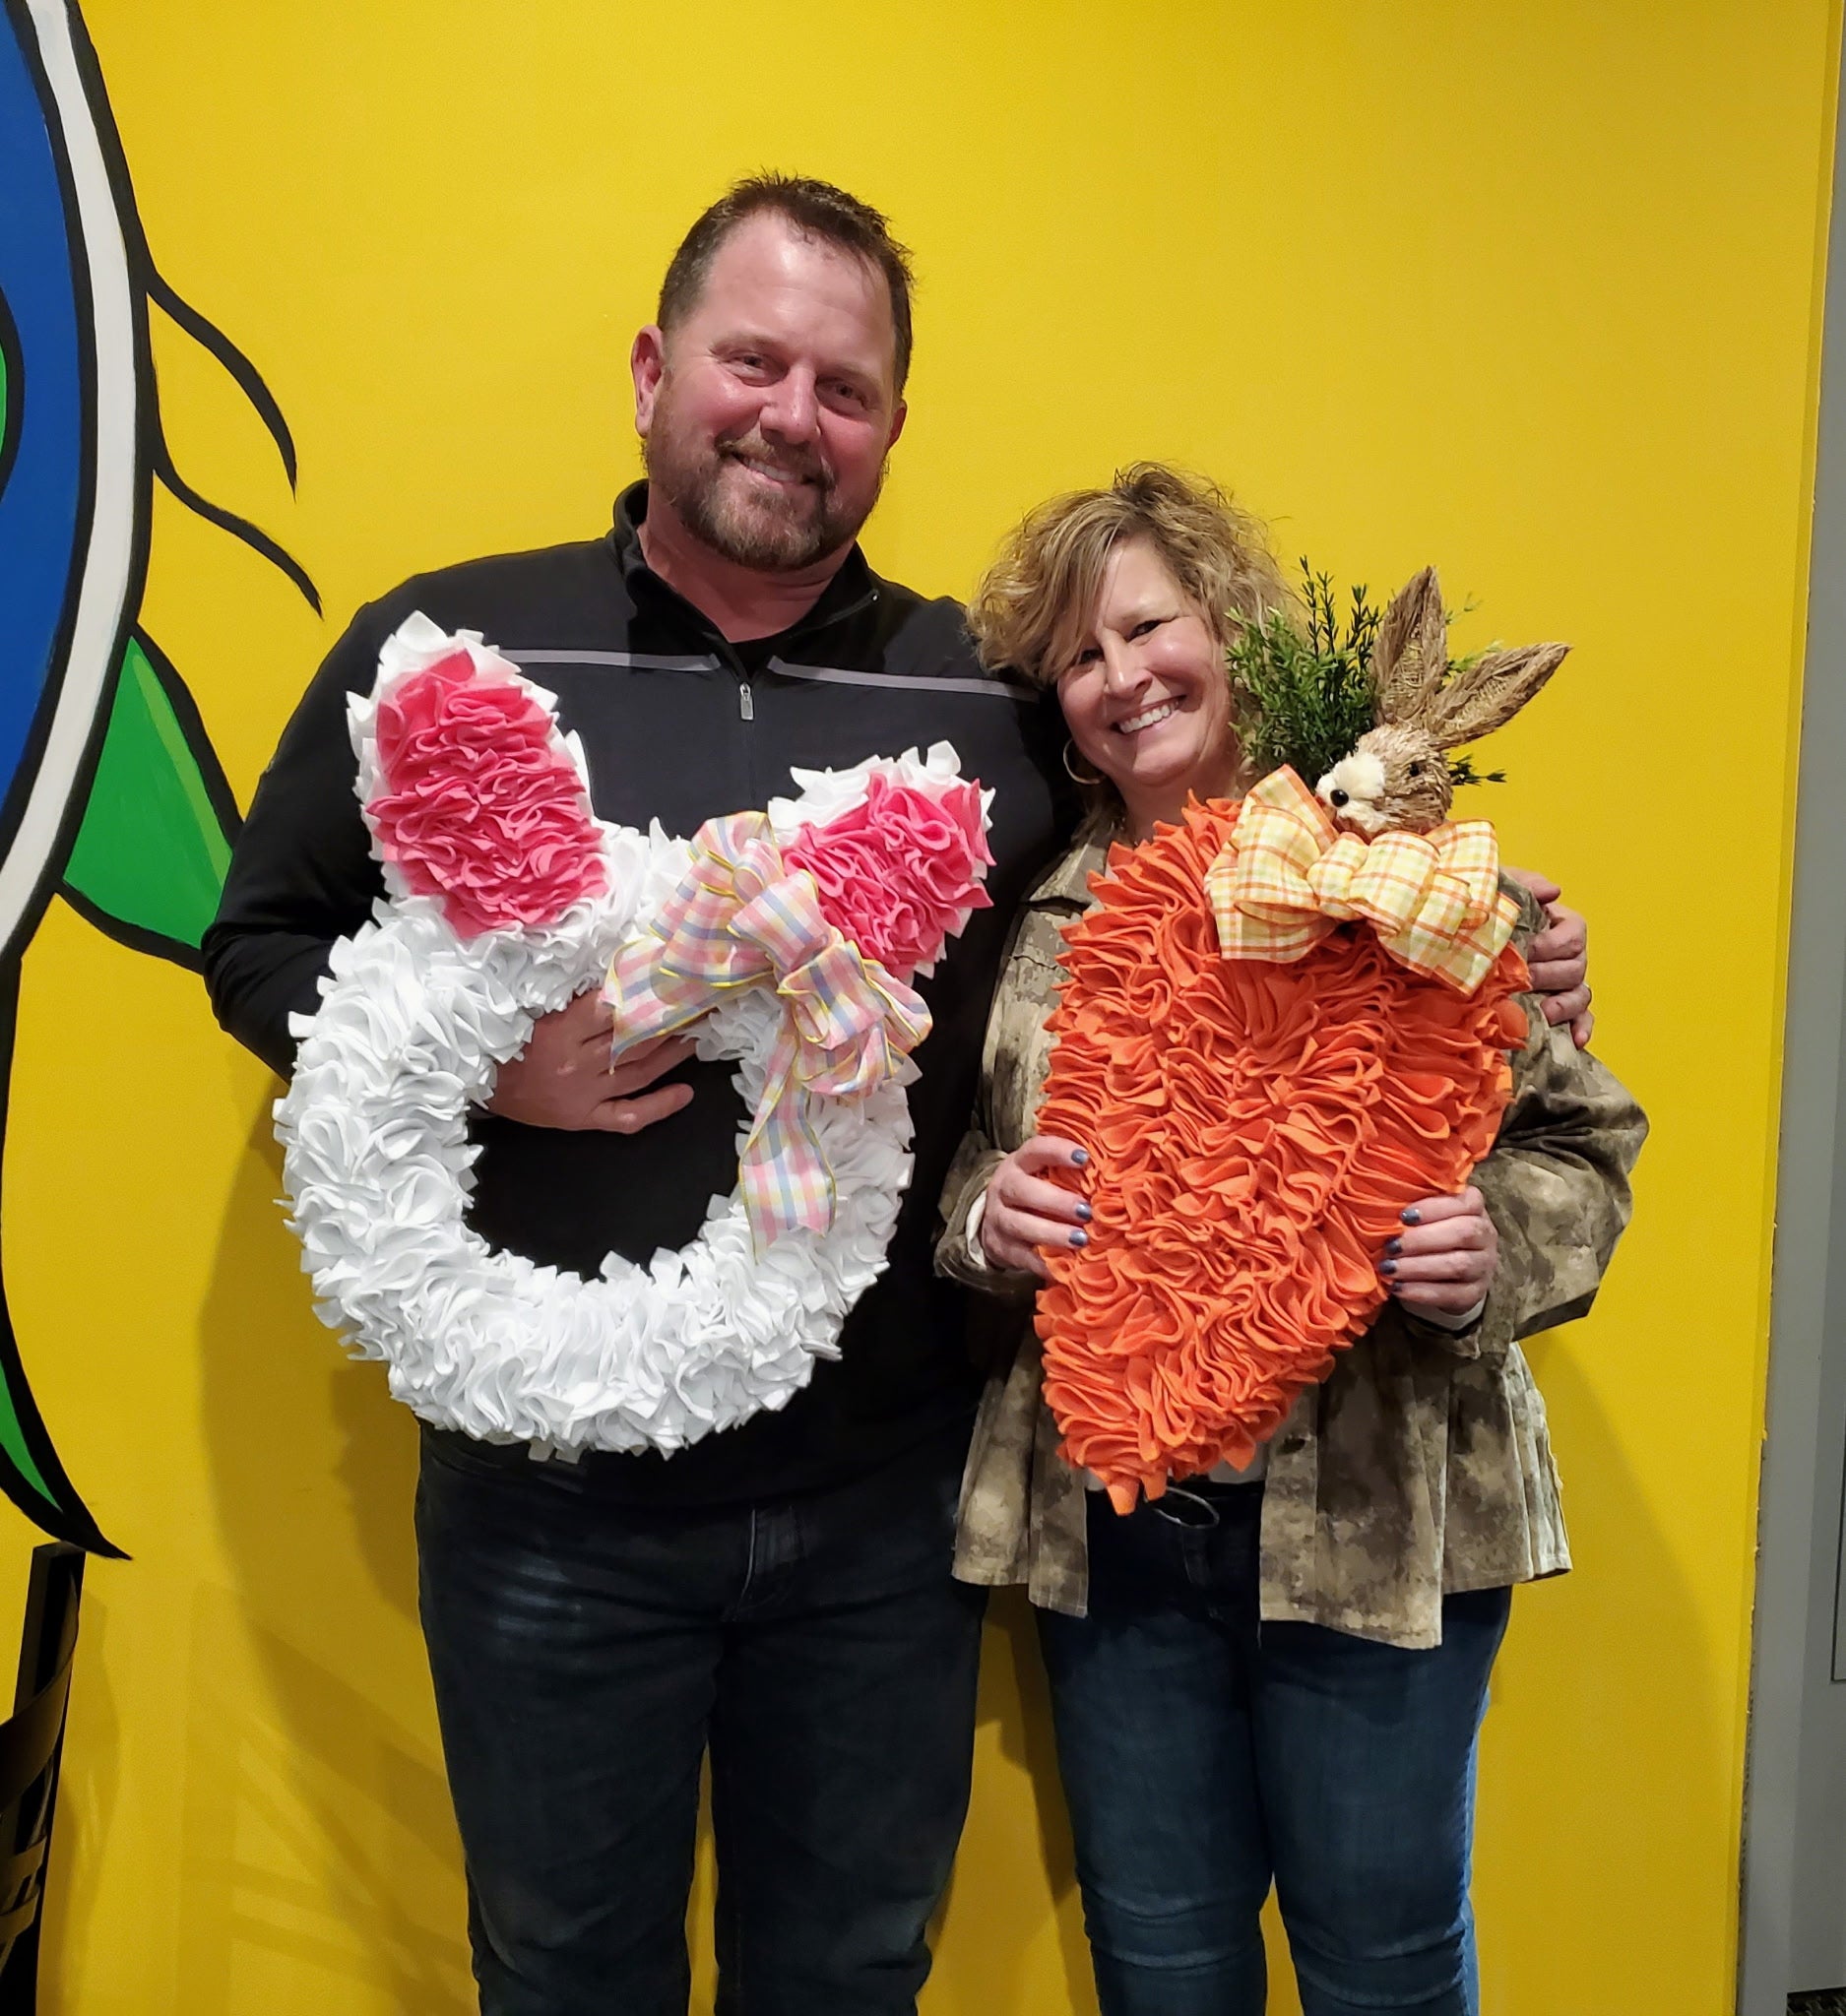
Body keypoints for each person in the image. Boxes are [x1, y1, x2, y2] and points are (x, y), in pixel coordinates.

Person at [204, 177, 1593, 2013]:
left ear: (891, 426)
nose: (792, 416)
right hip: (552, 1506)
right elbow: (261, 942)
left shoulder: (987, 701)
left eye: (843, 387)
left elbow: (1213, 871)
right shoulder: (458, 654)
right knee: (559, 1970)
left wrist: (1487, 931)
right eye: (752, 362)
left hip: (881, 1509)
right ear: (654, 370)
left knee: (856, 1972)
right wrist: (490, 1072)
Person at [937, 464, 1645, 2016]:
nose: (1122, 678)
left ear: (1229, 628)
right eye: (1078, 655)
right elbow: (951, 1163)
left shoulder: (1411, 879)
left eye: (1147, 627)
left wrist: (1491, 1250)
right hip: (1115, 1534)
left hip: (1382, 1522)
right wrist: (986, 1216)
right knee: (1163, 1968)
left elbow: (1583, 1149)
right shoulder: (1028, 916)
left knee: (1383, 1968)